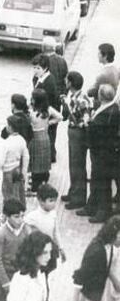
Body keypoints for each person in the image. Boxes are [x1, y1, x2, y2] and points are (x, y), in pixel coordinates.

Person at [77, 84, 120, 224]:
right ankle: (92, 205)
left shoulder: (107, 114)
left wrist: (87, 122)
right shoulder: (111, 108)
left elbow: (96, 131)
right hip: (102, 152)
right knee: (96, 179)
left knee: (102, 182)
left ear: (101, 96)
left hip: (103, 153)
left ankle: (103, 211)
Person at [60, 71, 92, 210]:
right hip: (73, 132)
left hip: (78, 133)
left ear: (71, 83)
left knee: (78, 165)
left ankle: (79, 198)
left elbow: (86, 119)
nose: (64, 82)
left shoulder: (82, 99)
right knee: (73, 164)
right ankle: (74, 191)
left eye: (66, 80)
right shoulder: (72, 96)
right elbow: (65, 116)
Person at [0, 198, 30, 301]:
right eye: (16, 217)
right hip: (2, 275)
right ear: (7, 217)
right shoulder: (0, 234)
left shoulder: (26, 230)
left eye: (22, 216)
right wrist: (5, 283)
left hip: (18, 274)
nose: (20, 220)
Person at [7, 231, 53, 301]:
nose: (49, 257)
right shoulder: (20, 279)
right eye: (45, 253)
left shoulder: (41, 274)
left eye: (50, 252)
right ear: (34, 252)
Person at [28, 89, 62, 192]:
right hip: (45, 136)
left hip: (34, 137)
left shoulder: (31, 110)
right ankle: (44, 179)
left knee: (35, 160)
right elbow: (60, 117)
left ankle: (35, 183)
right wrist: (49, 123)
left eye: (32, 98)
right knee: (43, 160)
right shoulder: (48, 109)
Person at [25, 183, 65, 264]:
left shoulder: (53, 214)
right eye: (50, 200)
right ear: (41, 201)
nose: (54, 203)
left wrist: (61, 248)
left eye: (55, 200)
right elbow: (23, 228)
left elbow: (56, 232)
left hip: (50, 249)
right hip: (37, 253)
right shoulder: (33, 216)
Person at [0, 115, 29, 206]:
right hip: (17, 170)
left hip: (7, 172)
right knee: (18, 190)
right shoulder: (22, 140)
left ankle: (9, 212)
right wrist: (24, 172)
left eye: (7, 125)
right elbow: (26, 157)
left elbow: (1, 159)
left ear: (10, 127)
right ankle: (20, 209)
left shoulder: (6, 142)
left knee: (7, 193)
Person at [32, 53, 59, 162]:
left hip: (48, 113)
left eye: (38, 68)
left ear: (45, 68)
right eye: (34, 67)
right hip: (43, 111)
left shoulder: (49, 82)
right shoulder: (37, 78)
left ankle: (50, 157)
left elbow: (48, 101)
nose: (35, 70)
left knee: (49, 136)